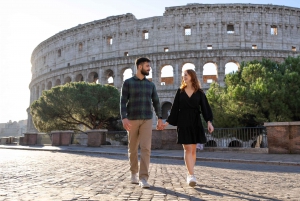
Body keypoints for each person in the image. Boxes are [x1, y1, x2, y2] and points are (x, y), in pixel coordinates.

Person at [162, 69, 214, 187]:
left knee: (193, 150)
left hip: (195, 121)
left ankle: (190, 172)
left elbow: (205, 108)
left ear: (192, 76)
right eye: (183, 75)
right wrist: (167, 122)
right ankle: (191, 175)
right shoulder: (180, 92)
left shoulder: (200, 93)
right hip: (183, 121)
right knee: (187, 149)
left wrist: (209, 122)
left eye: (186, 75)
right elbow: (175, 108)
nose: (184, 77)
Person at [120, 57, 163, 188]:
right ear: (139, 67)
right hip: (132, 119)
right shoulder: (128, 83)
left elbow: (156, 102)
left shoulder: (151, 85)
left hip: (147, 119)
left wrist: (160, 117)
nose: (149, 68)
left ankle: (143, 177)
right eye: (147, 66)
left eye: (149, 66)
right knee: (132, 148)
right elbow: (122, 101)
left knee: (146, 148)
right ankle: (133, 173)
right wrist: (124, 117)